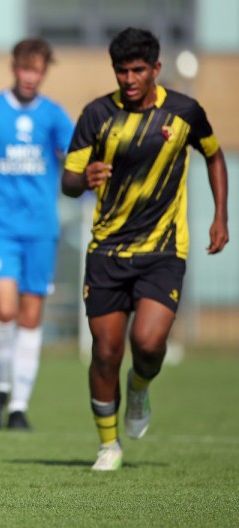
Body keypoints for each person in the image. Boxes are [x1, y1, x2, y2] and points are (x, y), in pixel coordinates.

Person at [61, 28, 229, 471]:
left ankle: (139, 386)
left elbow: (214, 155)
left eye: (138, 70)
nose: (129, 78)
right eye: (121, 71)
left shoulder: (184, 111)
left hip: (163, 250)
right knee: (105, 352)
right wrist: (85, 179)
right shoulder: (97, 114)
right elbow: (69, 181)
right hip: (107, 250)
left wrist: (220, 216)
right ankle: (108, 446)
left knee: (149, 343)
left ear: (156, 68)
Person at [0, 38, 74, 430]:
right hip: (0, 228)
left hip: (41, 229)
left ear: (44, 73)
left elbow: (78, 160)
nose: (30, 77)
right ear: (14, 68)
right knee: (5, 310)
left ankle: (19, 407)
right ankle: (1, 388)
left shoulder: (54, 116)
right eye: (25, 69)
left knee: (31, 316)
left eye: (37, 70)